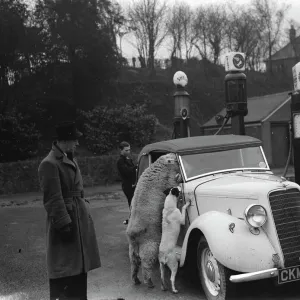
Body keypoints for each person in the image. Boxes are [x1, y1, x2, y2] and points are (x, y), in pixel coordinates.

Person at [38, 121, 101, 300]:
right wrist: (64, 224)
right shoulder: (49, 163)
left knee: (78, 271)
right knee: (65, 271)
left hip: (77, 217)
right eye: (75, 139)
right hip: (67, 221)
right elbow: (52, 198)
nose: (77, 143)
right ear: (64, 140)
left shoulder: (69, 156)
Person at [117, 141, 137, 225]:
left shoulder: (128, 159)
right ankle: (132, 220)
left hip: (133, 184)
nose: (128, 152)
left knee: (135, 203)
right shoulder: (120, 161)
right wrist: (136, 167)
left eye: (129, 150)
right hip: (127, 185)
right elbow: (127, 172)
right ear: (121, 150)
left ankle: (133, 218)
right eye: (126, 150)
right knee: (132, 203)